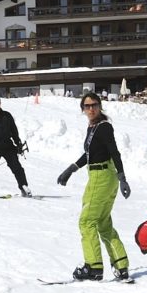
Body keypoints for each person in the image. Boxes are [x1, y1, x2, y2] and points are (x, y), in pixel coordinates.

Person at [54, 92, 130, 281]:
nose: (91, 109)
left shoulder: (103, 127)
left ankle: (93, 267)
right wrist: (71, 169)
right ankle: (121, 266)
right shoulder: (93, 127)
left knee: (86, 221)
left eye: (94, 105)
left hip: (101, 177)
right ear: (83, 109)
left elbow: (114, 152)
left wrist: (123, 178)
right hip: (101, 176)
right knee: (103, 223)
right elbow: (88, 154)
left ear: (100, 106)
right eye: (87, 106)